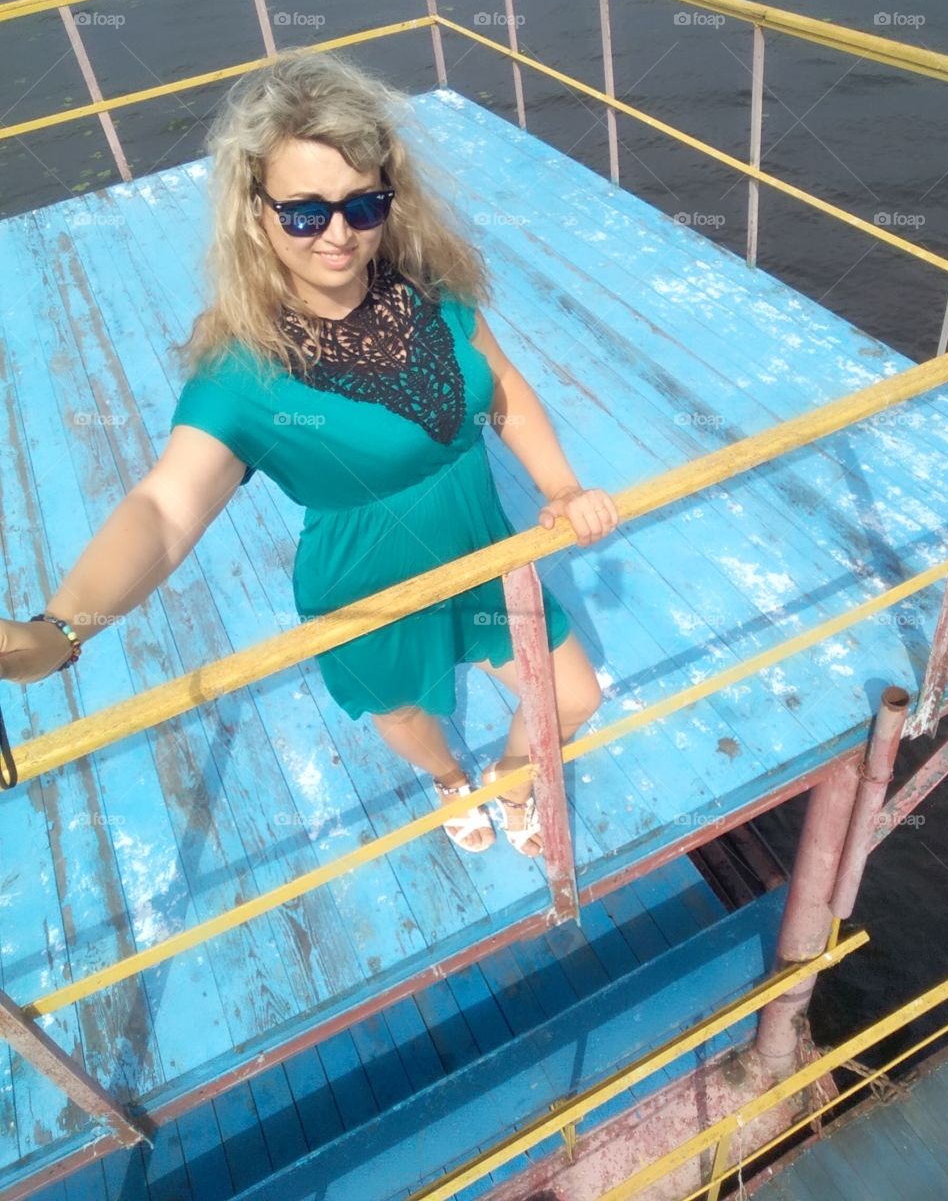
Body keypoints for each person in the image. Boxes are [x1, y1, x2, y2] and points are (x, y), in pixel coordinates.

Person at [0, 48, 619, 855]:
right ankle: (448, 781)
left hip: (484, 547)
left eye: (364, 206)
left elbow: (501, 385)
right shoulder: (243, 370)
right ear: (255, 212)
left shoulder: (426, 282)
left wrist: (563, 487)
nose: (339, 234)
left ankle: (507, 778)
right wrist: (60, 630)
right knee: (402, 711)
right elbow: (164, 507)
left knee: (572, 698)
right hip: (366, 582)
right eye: (304, 212)